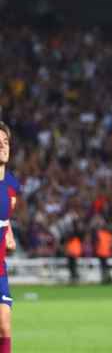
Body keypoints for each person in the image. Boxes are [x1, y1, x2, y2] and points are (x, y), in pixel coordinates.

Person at [0, 122, 20, 353]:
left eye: (5, 143)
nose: (2, 147)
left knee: (5, 326)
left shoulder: (12, 184)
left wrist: (9, 235)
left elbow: (5, 218)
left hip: (0, 270)